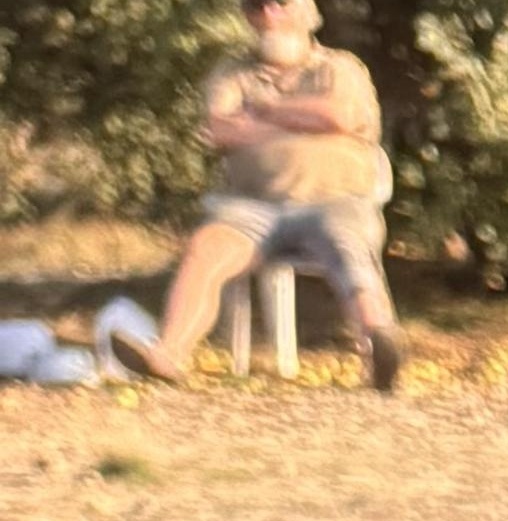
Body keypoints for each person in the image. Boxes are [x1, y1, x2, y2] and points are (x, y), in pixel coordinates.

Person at [113, 0, 409, 396]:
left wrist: (266, 108)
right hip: (254, 208)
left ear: (306, 11)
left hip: (336, 201)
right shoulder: (232, 72)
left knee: (351, 250)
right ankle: (166, 355)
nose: (268, 14)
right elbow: (220, 131)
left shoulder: (340, 67)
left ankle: (380, 349)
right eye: (255, 6)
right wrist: (305, 125)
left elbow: (338, 115)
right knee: (205, 249)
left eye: (279, 4)